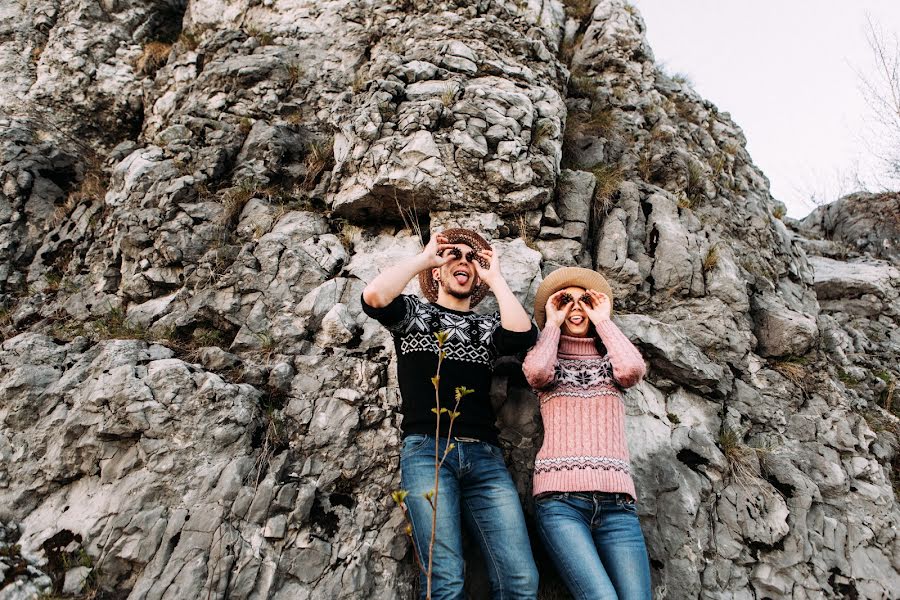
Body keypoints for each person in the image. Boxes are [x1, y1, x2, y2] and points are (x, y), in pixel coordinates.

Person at [361, 228, 539, 599]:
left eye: (471, 258)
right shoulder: (413, 315)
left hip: (486, 458)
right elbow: (375, 297)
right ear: (439, 273)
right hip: (428, 450)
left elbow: (523, 337)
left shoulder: (488, 326)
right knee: (446, 579)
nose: (463, 260)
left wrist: (495, 277)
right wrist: (426, 260)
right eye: (454, 255)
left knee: (521, 581)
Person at [522, 267, 652, 600]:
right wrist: (551, 323)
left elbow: (633, 370)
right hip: (562, 504)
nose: (576, 307)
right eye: (566, 300)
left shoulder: (611, 360)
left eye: (584, 300)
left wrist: (604, 321)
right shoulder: (546, 356)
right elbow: (536, 373)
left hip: (618, 507)